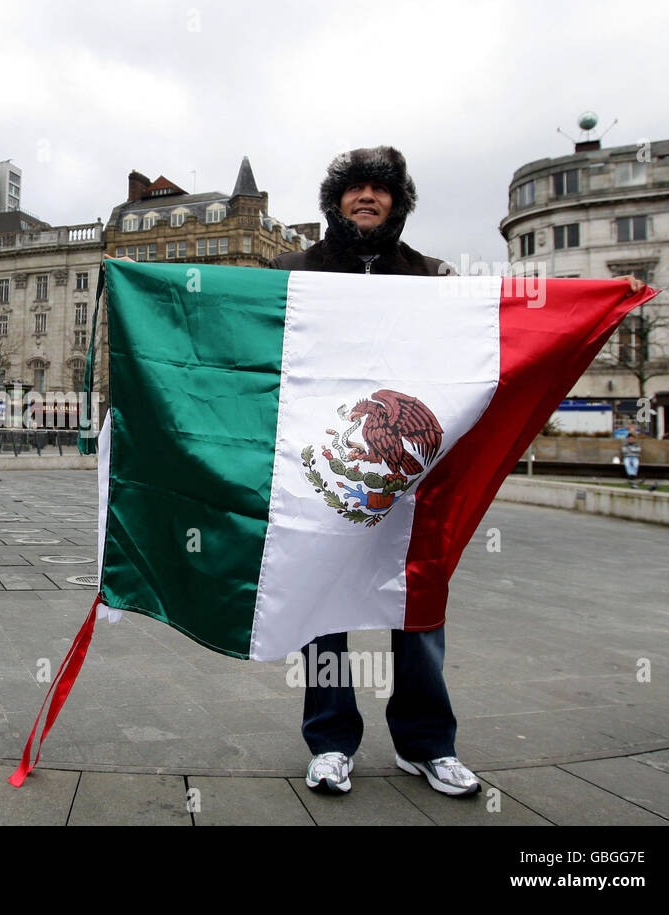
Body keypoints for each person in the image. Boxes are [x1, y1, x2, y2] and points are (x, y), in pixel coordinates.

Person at [267, 146, 480, 797]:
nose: (367, 196)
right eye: (355, 188)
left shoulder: (436, 277)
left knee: (416, 601)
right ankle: (331, 740)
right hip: (321, 466)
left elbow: (479, 350)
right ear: (336, 200)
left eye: (379, 189)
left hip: (414, 472)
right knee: (324, 605)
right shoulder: (292, 271)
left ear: (396, 201)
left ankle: (427, 743)